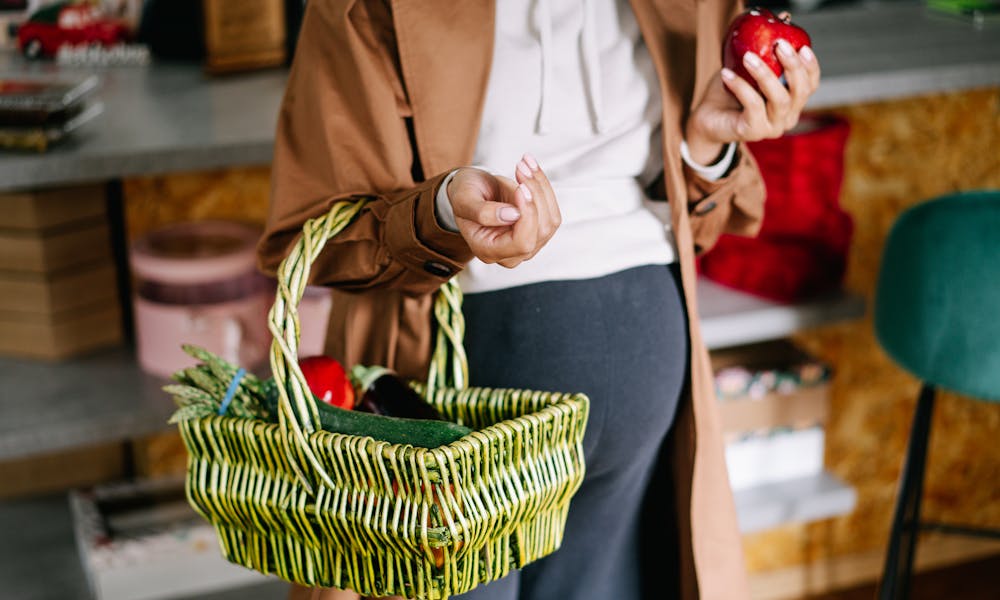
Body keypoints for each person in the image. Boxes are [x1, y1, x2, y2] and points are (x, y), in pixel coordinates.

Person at [257, 1, 820, 599]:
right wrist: (444, 211)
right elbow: (314, 237)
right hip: (457, 404)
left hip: (645, 373)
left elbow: (699, 221)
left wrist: (706, 146)